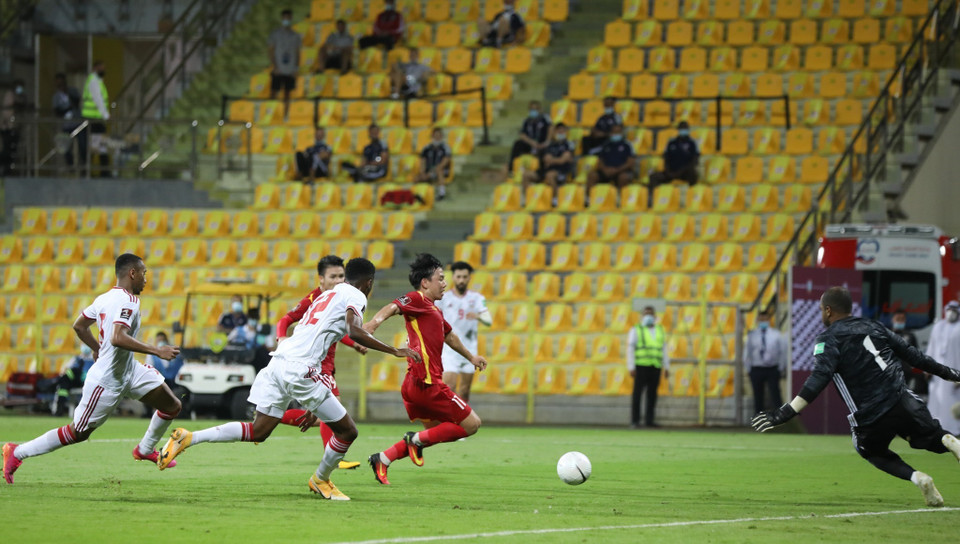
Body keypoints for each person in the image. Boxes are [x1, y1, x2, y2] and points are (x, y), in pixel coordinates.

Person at [157, 259, 418, 502]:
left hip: (278, 363)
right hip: (301, 369)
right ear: (369, 283)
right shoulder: (356, 295)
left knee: (259, 431)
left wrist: (315, 399)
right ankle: (321, 479)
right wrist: (394, 350)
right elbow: (353, 329)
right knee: (348, 431)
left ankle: (189, 437)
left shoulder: (326, 295)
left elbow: (316, 331)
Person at [752, 286, 960, 507]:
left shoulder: (828, 339)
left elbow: (818, 378)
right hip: (902, 399)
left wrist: (787, 411)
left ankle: (918, 478)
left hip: (870, 414)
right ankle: (951, 441)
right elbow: (915, 357)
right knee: (932, 436)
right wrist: (952, 373)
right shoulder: (875, 326)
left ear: (828, 311)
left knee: (870, 450)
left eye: (822, 309)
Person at [3, 253, 183, 484]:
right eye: (144, 273)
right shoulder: (129, 300)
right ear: (132, 273)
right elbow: (117, 337)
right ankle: (16, 452)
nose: (146, 279)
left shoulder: (104, 298)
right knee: (77, 433)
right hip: (107, 381)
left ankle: (145, 449)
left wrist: (97, 348)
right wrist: (157, 350)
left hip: (129, 370)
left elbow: (79, 326)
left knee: (172, 405)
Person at [365, 254, 487, 485]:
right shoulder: (417, 299)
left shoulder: (434, 310)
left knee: (436, 433)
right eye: (440, 279)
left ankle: (383, 458)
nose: (445, 284)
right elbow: (394, 306)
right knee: (472, 424)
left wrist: (471, 357)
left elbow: (450, 336)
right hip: (428, 384)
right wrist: (373, 323)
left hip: (414, 384)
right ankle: (415, 440)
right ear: (425, 282)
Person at [275, 255, 369, 470]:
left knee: (325, 416)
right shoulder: (314, 298)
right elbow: (285, 319)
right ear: (321, 279)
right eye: (333, 276)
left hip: (327, 362)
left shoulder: (342, 296)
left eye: (341, 276)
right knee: (333, 412)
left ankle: (271, 418)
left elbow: (338, 330)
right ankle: (334, 458)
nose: (338, 280)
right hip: (316, 363)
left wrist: (354, 344)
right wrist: (281, 338)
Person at [436, 261, 492, 403]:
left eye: (464, 277)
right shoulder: (443, 298)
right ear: (453, 277)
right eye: (458, 276)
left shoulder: (477, 298)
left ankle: (462, 416)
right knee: (449, 387)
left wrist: (478, 316)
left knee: (465, 390)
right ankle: (448, 416)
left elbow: (488, 320)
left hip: (470, 350)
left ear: (469, 278)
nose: (461, 280)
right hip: (449, 350)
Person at [627, 306, 669, 428]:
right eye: (646, 314)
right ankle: (635, 421)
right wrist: (631, 366)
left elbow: (664, 349)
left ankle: (649, 421)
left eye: (650, 314)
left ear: (655, 316)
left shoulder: (660, 330)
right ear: (642, 316)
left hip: (655, 366)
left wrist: (666, 366)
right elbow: (630, 349)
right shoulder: (636, 329)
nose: (648, 316)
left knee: (652, 395)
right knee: (637, 394)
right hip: (640, 366)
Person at [744, 309, 788, 415]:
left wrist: (781, 367)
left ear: (769, 320)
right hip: (756, 368)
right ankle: (759, 419)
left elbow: (783, 351)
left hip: (772, 369)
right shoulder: (752, 335)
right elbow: (747, 353)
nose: (763, 321)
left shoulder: (776, 335)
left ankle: (780, 419)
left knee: (775, 394)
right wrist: (749, 369)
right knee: (758, 396)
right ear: (757, 320)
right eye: (761, 319)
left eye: (765, 319)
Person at [925, 301, 960, 434]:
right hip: (937, 372)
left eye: (954, 310)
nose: (951, 313)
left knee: (953, 401)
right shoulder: (938, 326)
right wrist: (927, 368)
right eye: (949, 310)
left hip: (955, 372)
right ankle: (935, 428)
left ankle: (954, 429)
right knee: (936, 400)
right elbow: (931, 347)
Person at [522, 122, 575, 203]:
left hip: (561, 170)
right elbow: (546, 158)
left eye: (562, 131)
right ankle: (529, 199)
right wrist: (555, 160)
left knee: (550, 175)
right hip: (545, 169)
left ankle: (555, 199)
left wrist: (552, 160)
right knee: (526, 175)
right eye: (559, 131)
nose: (561, 133)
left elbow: (563, 160)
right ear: (555, 132)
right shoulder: (550, 144)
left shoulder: (568, 144)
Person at [648, 120, 700, 198]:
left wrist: (680, 171)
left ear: (688, 129)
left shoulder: (692, 143)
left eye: (685, 128)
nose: (683, 130)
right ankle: (652, 198)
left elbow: (695, 161)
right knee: (654, 177)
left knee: (693, 174)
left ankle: (692, 197)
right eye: (681, 128)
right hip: (671, 172)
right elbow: (666, 158)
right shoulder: (671, 142)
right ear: (678, 130)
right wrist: (668, 171)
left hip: (685, 173)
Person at [267, 9, 302, 110]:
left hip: (290, 69)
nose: (286, 20)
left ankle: (285, 115)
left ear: (291, 18)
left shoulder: (296, 36)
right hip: (278, 68)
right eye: (285, 18)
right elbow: (270, 50)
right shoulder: (275, 34)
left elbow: (297, 52)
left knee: (288, 93)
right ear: (282, 18)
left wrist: (296, 68)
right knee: (274, 91)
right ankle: (270, 113)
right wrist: (275, 66)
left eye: (288, 18)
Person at [81, 61, 111, 177]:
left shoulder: (97, 81)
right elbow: (98, 100)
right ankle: (101, 172)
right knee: (99, 145)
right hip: (94, 120)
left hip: (95, 119)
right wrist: (106, 115)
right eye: (100, 68)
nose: (103, 70)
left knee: (97, 146)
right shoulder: (94, 81)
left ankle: (90, 171)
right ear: (95, 68)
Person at [586, 123, 635, 194]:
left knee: (623, 177)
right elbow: (600, 161)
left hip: (620, 171)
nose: (615, 134)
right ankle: (589, 197)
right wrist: (605, 169)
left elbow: (630, 163)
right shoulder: (606, 145)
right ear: (610, 133)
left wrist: (616, 170)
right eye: (614, 132)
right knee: (592, 175)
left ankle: (621, 197)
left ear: (621, 133)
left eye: (617, 132)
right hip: (606, 171)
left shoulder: (627, 145)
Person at [890, 309, 927, 396]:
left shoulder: (910, 336)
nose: (900, 321)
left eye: (902, 319)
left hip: (905, 371)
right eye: (898, 319)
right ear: (893, 319)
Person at [507, 100, 551, 173]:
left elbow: (551, 128)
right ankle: (511, 168)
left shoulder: (545, 118)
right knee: (518, 144)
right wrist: (532, 143)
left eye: (535, 109)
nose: (533, 111)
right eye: (531, 109)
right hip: (531, 144)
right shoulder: (527, 120)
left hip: (542, 144)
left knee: (546, 151)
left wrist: (547, 142)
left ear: (540, 109)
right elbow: (522, 134)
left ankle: (541, 172)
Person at [52, 73, 85, 167]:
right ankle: (70, 167)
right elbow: (57, 112)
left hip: (78, 123)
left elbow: (77, 102)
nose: (60, 85)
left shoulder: (73, 91)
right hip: (66, 125)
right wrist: (67, 109)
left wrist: (67, 93)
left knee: (83, 146)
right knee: (66, 147)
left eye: (62, 82)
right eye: (58, 83)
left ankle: (83, 166)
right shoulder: (56, 97)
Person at [414, 127, 451, 199]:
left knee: (439, 171)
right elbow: (423, 161)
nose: (437, 137)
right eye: (435, 135)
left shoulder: (446, 148)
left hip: (442, 170)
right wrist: (422, 172)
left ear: (441, 136)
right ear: (432, 136)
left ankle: (441, 193)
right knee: (417, 178)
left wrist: (436, 169)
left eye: (439, 135)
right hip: (429, 170)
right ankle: (418, 195)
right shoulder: (426, 148)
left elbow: (446, 160)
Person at [0, 79, 26, 175]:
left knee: (13, 151)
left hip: (16, 127)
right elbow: (10, 107)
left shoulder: (22, 97)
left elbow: (22, 106)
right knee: (7, 150)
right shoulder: (10, 94)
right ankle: (4, 168)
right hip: (7, 127)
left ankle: (7, 170)